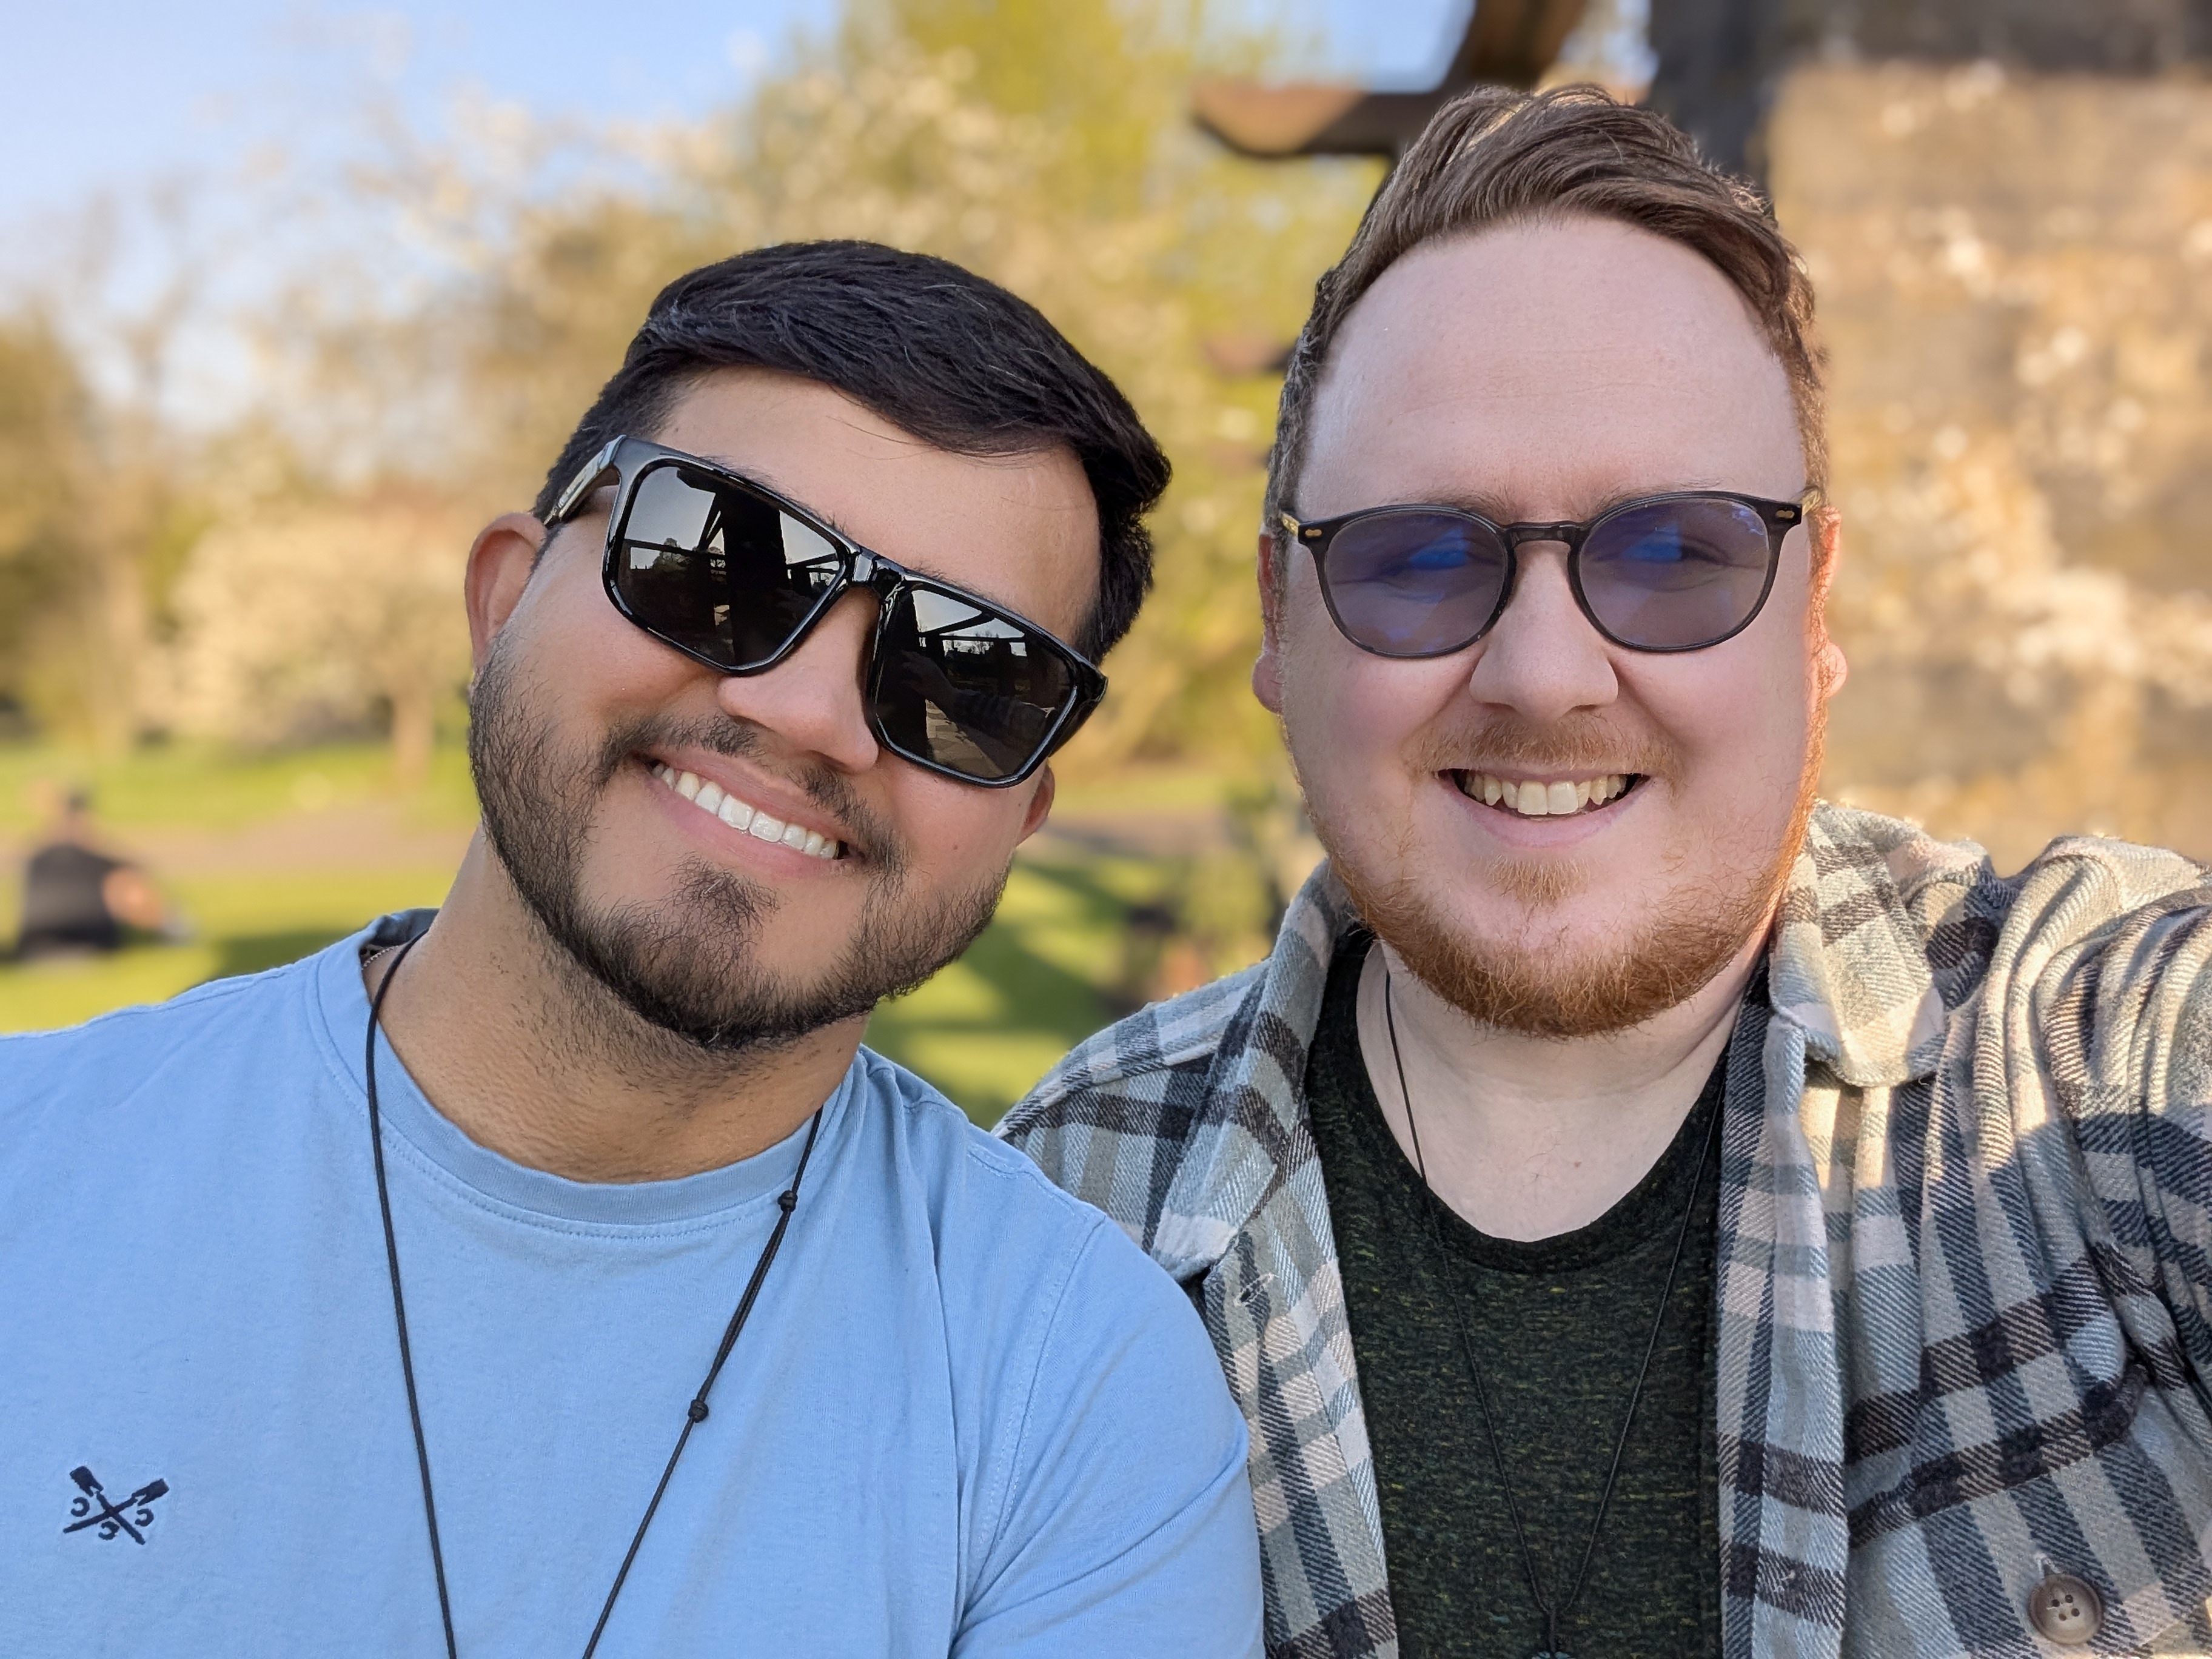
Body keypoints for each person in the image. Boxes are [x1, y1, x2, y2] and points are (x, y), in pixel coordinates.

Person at [1002, 87, 2212, 1659]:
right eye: (1417, 557)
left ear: (1814, 609)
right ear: (1278, 621)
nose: (1549, 672)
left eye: (1676, 552)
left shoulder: (2088, 1062)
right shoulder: (1060, 1212)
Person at [0, 241, 1264, 1657]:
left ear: (1020, 811)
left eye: (967, 671)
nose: (806, 710)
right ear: (502, 597)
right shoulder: (29, 1167)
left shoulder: (1080, 1398)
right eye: (719, 561)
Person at [12, 785, 169, 959]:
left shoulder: (36, 859)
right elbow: (136, 897)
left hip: (32, 947)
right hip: (89, 946)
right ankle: (174, 932)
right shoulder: (104, 861)